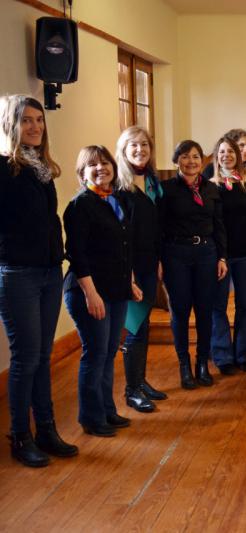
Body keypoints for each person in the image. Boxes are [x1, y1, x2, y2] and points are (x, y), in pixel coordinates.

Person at [0, 95, 78, 466]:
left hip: (49, 272)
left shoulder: (42, 169)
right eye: (25, 121)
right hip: (18, 275)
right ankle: (20, 435)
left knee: (42, 356)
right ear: (10, 125)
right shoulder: (4, 169)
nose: (34, 127)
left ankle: (46, 429)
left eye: (38, 120)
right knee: (25, 358)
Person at [63, 145, 143, 437]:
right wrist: (90, 293)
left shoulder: (115, 200)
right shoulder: (81, 204)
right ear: (82, 173)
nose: (101, 168)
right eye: (93, 165)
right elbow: (77, 253)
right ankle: (92, 417)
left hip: (115, 289)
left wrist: (129, 283)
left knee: (109, 352)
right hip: (88, 291)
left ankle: (107, 410)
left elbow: (122, 247)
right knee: (95, 354)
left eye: (105, 163)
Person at [160, 140, 227, 389]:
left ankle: (202, 363)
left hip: (207, 253)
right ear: (177, 160)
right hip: (176, 254)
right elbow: (158, 227)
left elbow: (219, 226)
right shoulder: (165, 189)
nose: (191, 161)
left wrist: (222, 257)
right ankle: (184, 365)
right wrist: (159, 259)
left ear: (203, 160)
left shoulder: (211, 189)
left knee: (204, 310)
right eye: (185, 157)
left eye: (196, 157)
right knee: (180, 311)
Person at [115, 126, 168, 414]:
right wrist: (129, 273)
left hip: (150, 263)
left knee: (144, 326)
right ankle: (131, 391)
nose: (140, 150)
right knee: (134, 328)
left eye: (144, 145)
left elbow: (155, 228)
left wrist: (158, 260)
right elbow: (121, 235)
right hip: (130, 268)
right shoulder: (119, 187)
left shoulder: (152, 181)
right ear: (123, 150)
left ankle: (141, 381)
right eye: (133, 145)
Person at [209, 136, 246, 374]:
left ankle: (244, 353)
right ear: (217, 155)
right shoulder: (210, 184)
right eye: (222, 152)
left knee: (245, 304)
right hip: (220, 255)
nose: (227, 156)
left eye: (231, 152)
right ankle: (223, 356)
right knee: (219, 306)